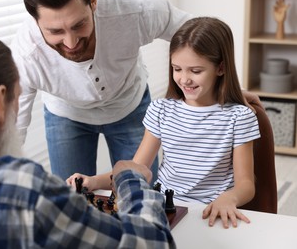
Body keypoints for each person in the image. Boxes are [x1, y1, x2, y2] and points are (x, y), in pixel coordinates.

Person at [0, 27, 176, 248]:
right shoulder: (23, 188)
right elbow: (151, 244)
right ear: (0, 101)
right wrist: (131, 179)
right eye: (16, 98)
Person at [68, 17, 261, 229]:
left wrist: (230, 198)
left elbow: (246, 184)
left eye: (195, 71)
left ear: (221, 68)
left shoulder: (239, 117)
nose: (184, 79)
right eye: (177, 69)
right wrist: (93, 181)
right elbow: (136, 168)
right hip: (168, 211)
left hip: (211, 213)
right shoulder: (161, 110)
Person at [11, 0, 192, 182]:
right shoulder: (25, 56)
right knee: (72, 201)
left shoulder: (136, 11)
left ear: (93, 0)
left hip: (130, 104)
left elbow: (200, 38)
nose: (71, 43)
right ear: (35, 20)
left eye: (79, 25)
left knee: (142, 193)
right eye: (55, 31)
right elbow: (12, 131)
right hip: (66, 114)